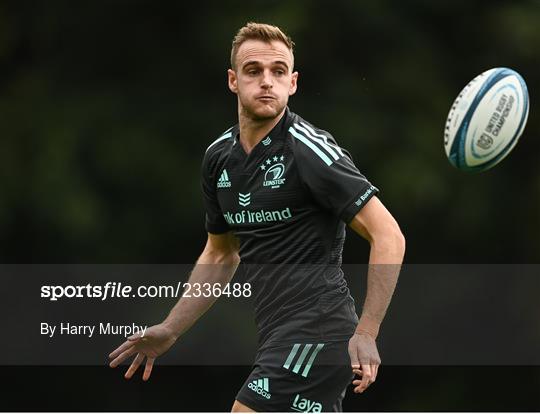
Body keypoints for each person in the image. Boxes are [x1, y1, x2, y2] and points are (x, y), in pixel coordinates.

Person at [109, 22, 405, 412]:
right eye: (254, 71)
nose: (267, 81)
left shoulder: (309, 151)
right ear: (233, 80)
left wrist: (367, 331)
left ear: (293, 82)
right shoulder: (218, 158)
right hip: (276, 336)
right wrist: (171, 328)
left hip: (318, 332)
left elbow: (389, 235)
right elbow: (220, 254)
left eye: (278, 71)